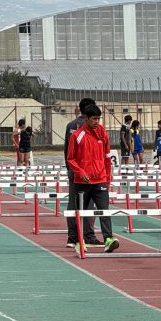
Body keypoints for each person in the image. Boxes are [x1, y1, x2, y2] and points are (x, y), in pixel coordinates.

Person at [66, 103, 119, 253]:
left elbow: (107, 157)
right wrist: (81, 172)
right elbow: (70, 159)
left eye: (99, 119)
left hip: (100, 180)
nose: (97, 122)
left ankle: (108, 238)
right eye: (94, 119)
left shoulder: (103, 134)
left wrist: (107, 179)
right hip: (82, 182)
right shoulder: (77, 136)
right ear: (86, 118)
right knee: (80, 212)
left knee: (104, 211)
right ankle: (79, 240)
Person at [64, 98, 98, 248]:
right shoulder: (91, 128)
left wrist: (69, 169)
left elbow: (67, 150)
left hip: (74, 170)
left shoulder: (70, 125)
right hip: (88, 172)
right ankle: (88, 235)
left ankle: (72, 237)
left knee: (73, 203)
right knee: (89, 203)